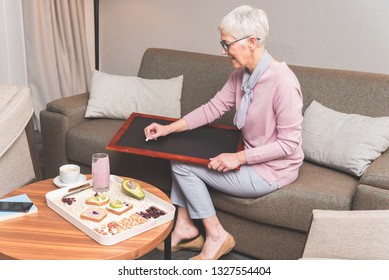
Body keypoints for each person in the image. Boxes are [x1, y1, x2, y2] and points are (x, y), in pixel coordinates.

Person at [144, 5, 303, 260]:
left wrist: (237, 158)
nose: (222, 50)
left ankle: (216, 235)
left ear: (252, 42)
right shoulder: (241, 75)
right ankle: (185, 228)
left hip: (273, 170)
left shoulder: (283, 83)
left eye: (227, 43)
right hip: (250, 153)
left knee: (182, 166)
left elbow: (289, 145)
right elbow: (213, 108)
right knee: (178, 150)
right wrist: (168, 128)